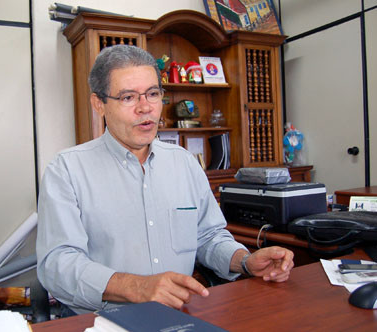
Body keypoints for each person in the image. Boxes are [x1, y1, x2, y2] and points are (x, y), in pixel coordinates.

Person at [36, 44, 294, 316]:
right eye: (127, 97)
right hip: (101, 320)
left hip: (178, 316)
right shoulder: (67, 169)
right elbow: (57, 264)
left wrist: (245, 261)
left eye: (153, 93)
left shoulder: (184, 163)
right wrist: (136, 287)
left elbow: (208, 236)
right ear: (99, 104)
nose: (145, 108)